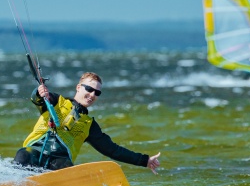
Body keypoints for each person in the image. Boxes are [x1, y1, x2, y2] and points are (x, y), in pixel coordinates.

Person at [13, 71, 161, 174]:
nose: (92, 95)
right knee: (23, 155)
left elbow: (113, 150)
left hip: (59, 163)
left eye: (97, 93)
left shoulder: (89, 125)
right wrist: (39, 93)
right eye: (89, 89)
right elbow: (38, 99)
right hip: (35, 152)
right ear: (78, 87)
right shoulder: (57, 101)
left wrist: (144, 160)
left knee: (65, 167)